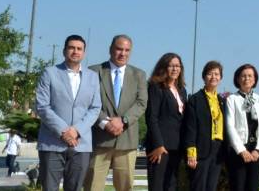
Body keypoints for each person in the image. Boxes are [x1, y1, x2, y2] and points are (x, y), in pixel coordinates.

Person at [35, 34, 103, 191]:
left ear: (84, 53)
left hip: (81, 144)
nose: (75, 51)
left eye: (79, 49)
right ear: (64, 51)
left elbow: (95, 108)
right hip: (52, 143)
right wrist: (63, 131)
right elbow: (42, 106)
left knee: (75, 188)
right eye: (72, 48)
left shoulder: (93, 77)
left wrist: (76, 130)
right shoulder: (49, 73)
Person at [85, 35, 148, 191]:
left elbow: (141, 103)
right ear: (111, 49)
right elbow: (85, 101)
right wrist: (104, 122)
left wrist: (123, 120)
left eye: (127, 50)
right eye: (119, 49)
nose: (123, 53)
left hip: (126, 141)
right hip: (99, 140)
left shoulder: (139, 75)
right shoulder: (94, 71)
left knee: (125, 187)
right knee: (92, 186)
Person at [145, 53, 187, 191]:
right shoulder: (156, 87)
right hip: (160, 147)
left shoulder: (182, 90)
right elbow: (152, 117)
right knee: (158, 185)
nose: (175, 69)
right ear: (164, 67)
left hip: (176, 146)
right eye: (171, 66)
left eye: (177, 66)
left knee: (171, 185)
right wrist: (158, 144)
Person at [225, 63, 259, 191]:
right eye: (243, 76)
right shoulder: (232, 99)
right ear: (237, 79)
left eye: (250, 76)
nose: (247, 79)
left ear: (255, 79)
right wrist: (241, 150)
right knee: (238, 186)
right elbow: (230, 126)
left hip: (256, 150)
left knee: (253, 186)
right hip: (238, 150)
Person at [183, 61, 226, 191]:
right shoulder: (195, 99)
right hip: (201, 150)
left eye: (217, 74)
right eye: (210, 73)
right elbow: (190, 128)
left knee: (211, 187)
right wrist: (191, 153)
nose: (213, 77)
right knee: (199, 187)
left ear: (221, 77)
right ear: (204, 77)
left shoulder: (221, 100)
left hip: (218, 150)